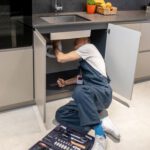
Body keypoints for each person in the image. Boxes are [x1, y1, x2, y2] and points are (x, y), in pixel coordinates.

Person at [53, 38, 120, 150]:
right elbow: (81, 79)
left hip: (102, 93)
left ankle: (100, 135)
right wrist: (65, 82)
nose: (74, 43)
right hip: (90, 96)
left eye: (76, 41)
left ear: (85, 40)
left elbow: (61, 58)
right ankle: (101, 121)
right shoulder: (88, 60)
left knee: (80, 91)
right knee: (61, 114)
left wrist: (55, 44)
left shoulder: (89, 47)